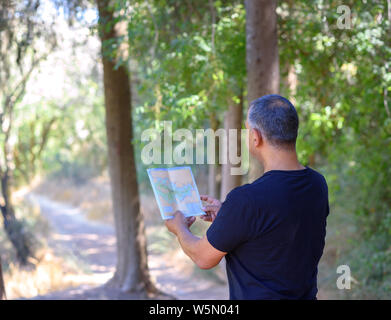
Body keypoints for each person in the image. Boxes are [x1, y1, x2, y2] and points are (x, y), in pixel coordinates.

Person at [165, 94, 329, 300]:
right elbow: (279, 220)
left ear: (256, 136)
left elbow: (203, 257)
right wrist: (229, 213)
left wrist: (179, 229)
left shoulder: (247, 200)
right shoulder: (317, 184)